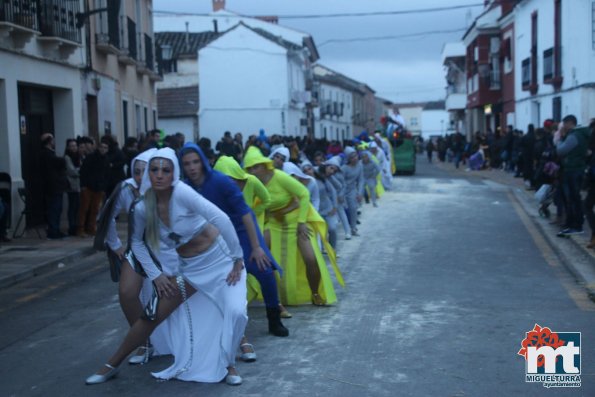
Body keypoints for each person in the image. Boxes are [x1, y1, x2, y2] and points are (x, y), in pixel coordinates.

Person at [85, 148, 247, 386]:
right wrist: (157, 275)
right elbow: (137, 243)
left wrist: (237, 258)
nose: (159, 175)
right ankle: (112, 364)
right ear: (148, 174)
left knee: (234, 312)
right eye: (154, 170)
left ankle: (228, 364)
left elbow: (221, 218)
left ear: (174, 174)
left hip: (222, 263)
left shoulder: (183, 193)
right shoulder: (142, 207)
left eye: (166, 170)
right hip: (190, 271)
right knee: (152, 314)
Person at [179, 143, 288, 340]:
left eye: (196, 162)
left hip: (242, 230)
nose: (192, 167)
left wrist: (256, 247)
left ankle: (274, 319)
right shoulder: (185, 187)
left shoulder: (221, 182)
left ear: (203, 162)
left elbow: (246, 213)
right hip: (212, 237)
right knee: (216, 280)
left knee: (264, 271)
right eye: (187, 163)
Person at [94, 148, 173, 365]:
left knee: (163, 296)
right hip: (138, 248)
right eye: (136, 171)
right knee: (128, 293)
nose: (140, 176)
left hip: (165, 250)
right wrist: (115, 244)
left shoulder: (168, 187)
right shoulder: (126, 188)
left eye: (144, 171)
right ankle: (144, 342)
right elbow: (107, 217)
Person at [243, 147, 343, 308]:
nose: (253, 171)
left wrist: (302, 222)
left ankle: (315, 293)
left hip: (297, 223)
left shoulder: (280, 177)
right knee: (257, 254)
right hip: (274, 224)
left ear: (264, 165)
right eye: (249, 168)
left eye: (256, 166)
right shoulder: (252, 183)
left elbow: (304, 194)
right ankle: (270, 298)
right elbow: (249, 206)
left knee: (311, 259)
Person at [555, 115, 590, 236]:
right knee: (573, 199)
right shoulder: (579, 135)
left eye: (564, 124)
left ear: (570, 123)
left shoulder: (574, 136)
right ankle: (572, 224)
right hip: (576, 169)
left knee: (573, 199)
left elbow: (560, 151)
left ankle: (576, 225)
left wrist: (560, 139)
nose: (563, 127)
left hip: (573, 170)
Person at [77, 141, 110, 237]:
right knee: (84, 208)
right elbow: (83, 171)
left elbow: (107, 174)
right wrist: (83, 185)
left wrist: (104, 186)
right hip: (88, 186)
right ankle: (81, 229)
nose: (103, 149)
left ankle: (91, 228)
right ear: (98, 148)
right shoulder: (90, 157)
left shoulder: (106, 159)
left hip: (99, 187)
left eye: (105, 147)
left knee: (95, 209)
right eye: (102, 147)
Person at [39, 133, 68, 239]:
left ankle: (55, 229)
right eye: (53, 140)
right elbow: (59, 163)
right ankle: (53, 231)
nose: (54, 142)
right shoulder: (46, 154)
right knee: (54, 209)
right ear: (49, 141)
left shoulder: (49, 154)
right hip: (52, 187)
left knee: (57, 208)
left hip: (55, 186)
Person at [341, 146, 363, 236]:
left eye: (355, 156)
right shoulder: (344, 168)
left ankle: (353, 228)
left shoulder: (360, 166)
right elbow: (341, 182)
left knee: (353, 208)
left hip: (352, 190)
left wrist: (360, 193)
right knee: (344, 211)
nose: (355, 158)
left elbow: (361, 180)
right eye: (352, 157)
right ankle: (347, 229)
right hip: (343, 190)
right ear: (348, 159)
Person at [64, 139, 81, 236]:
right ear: (68, 147)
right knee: (72, 207)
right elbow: (72, 171)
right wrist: (80, 170)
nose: (74, 148)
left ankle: (75, 226)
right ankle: (72, 227)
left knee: (76, 207)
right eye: (71, 146)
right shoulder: (67, 157)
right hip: (71, 185)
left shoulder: (77, 156)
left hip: (77, 185)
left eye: (75, 145)